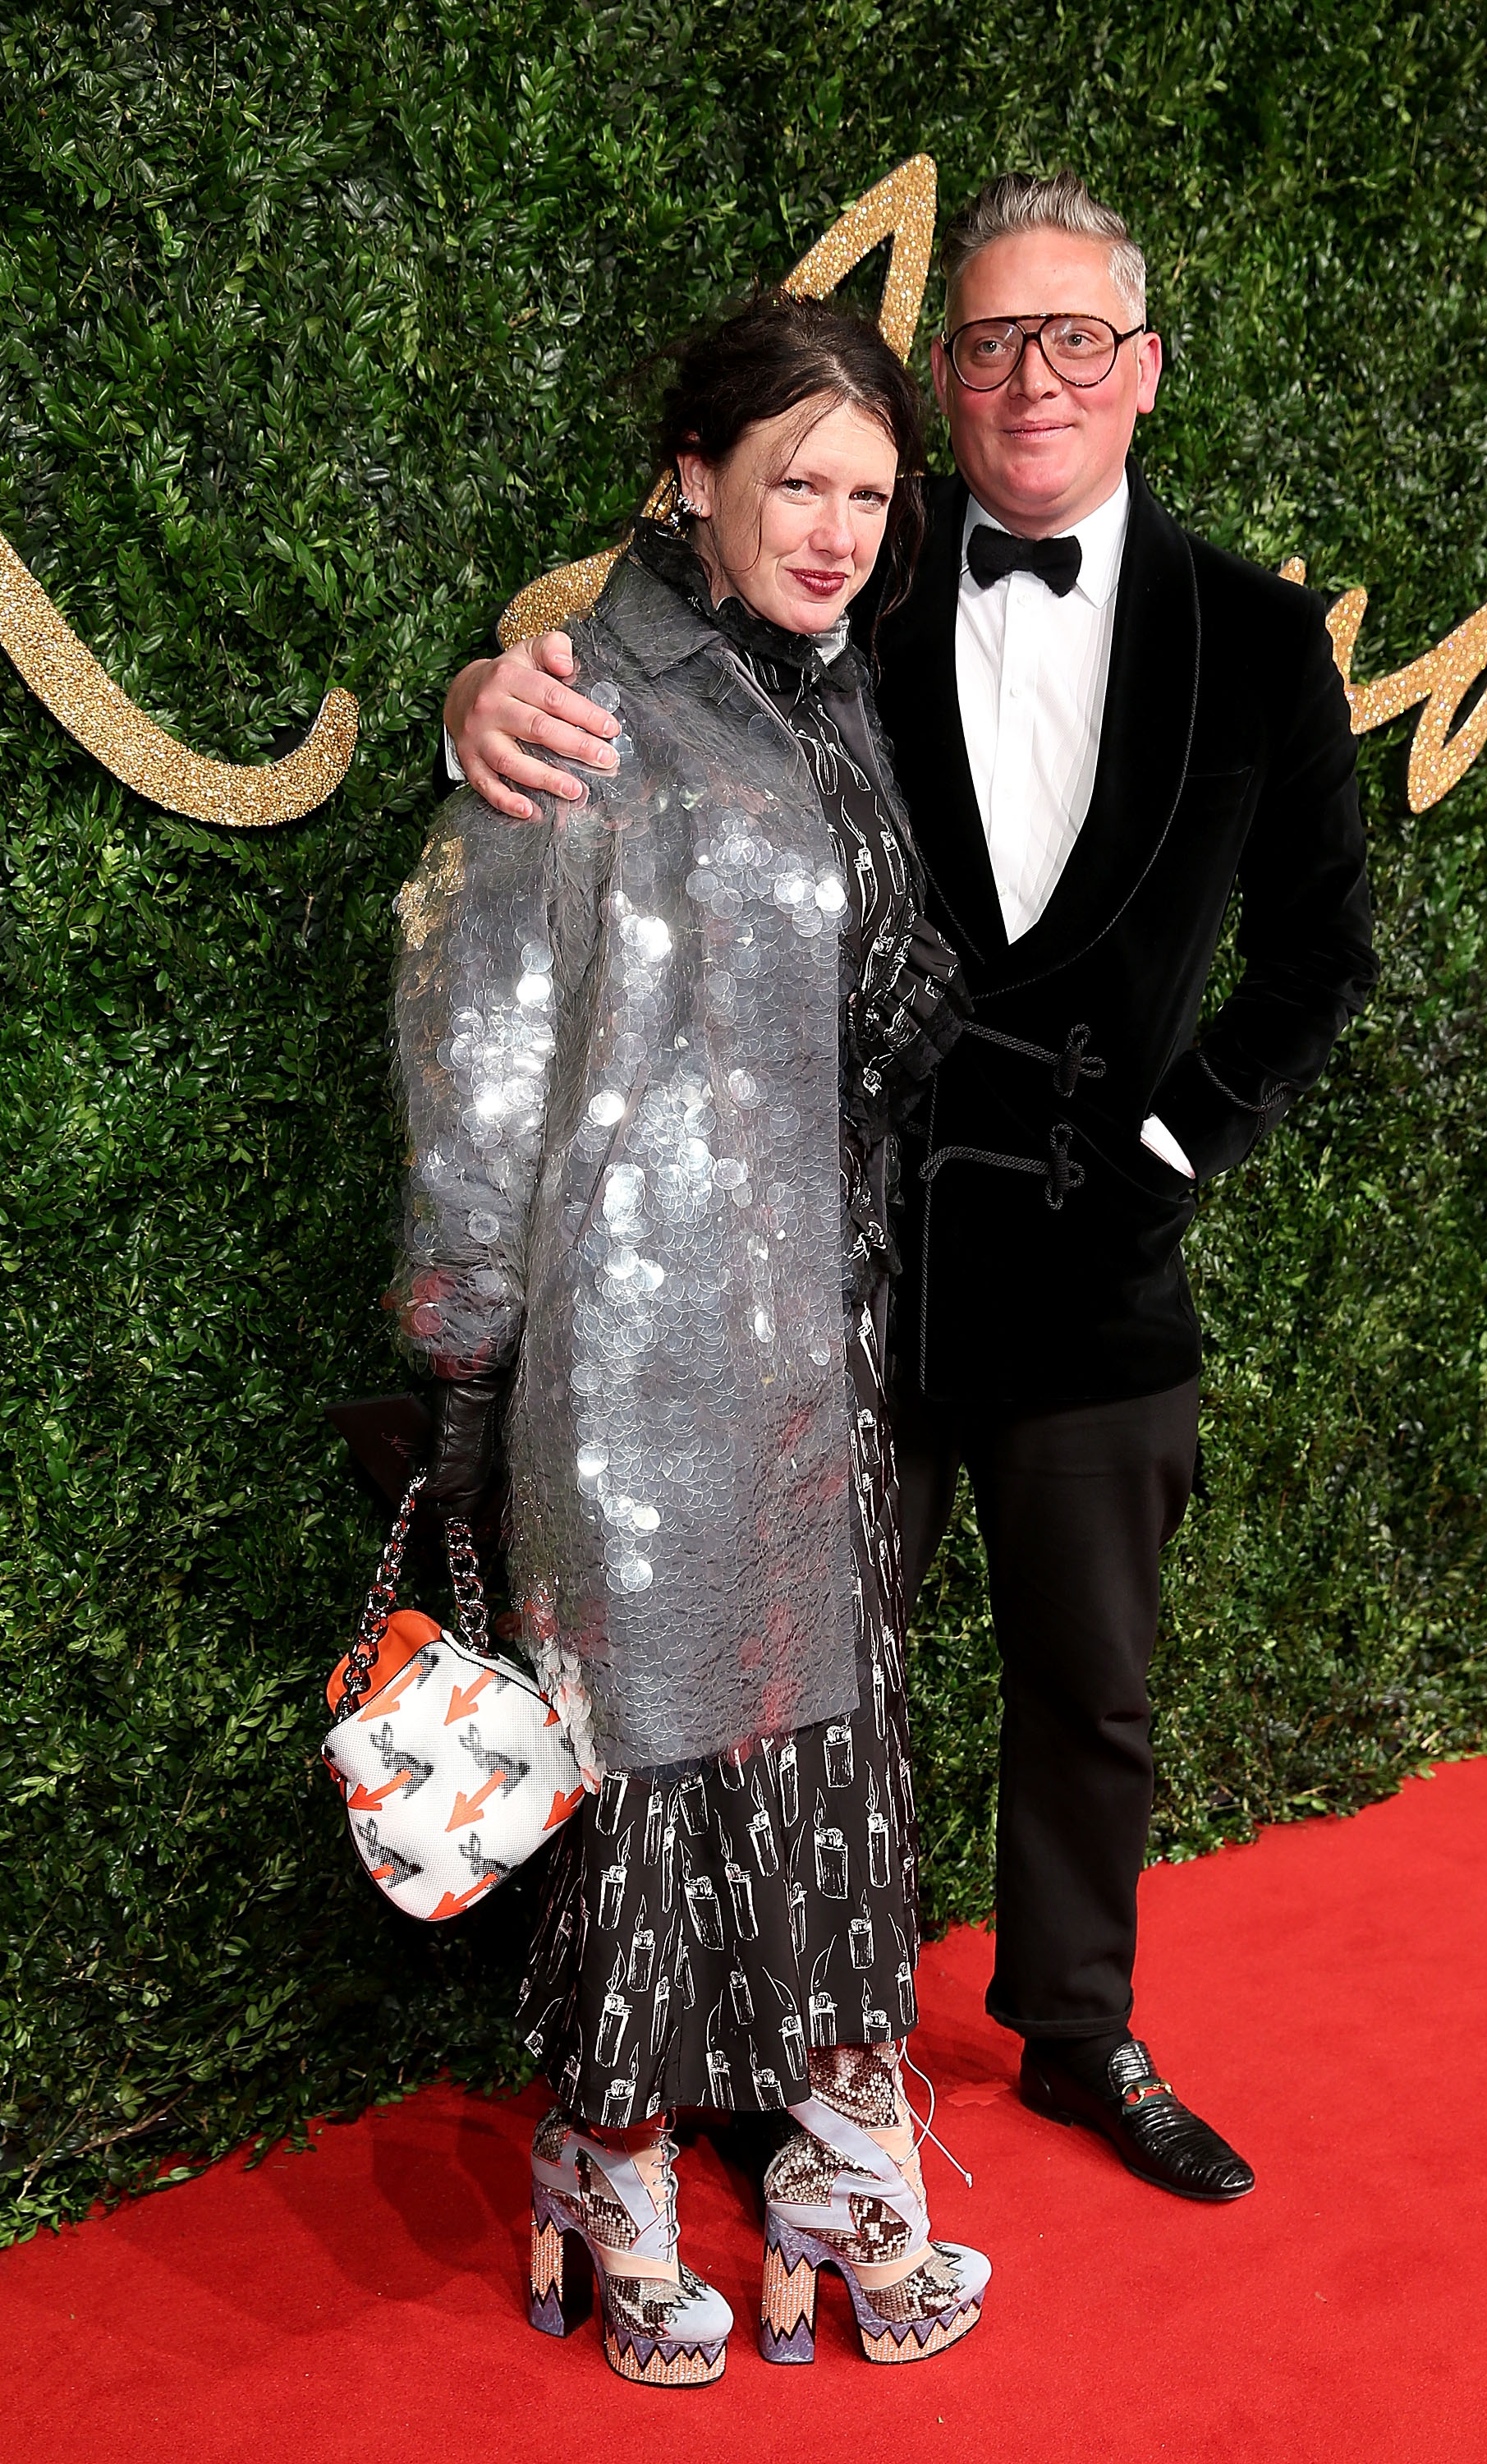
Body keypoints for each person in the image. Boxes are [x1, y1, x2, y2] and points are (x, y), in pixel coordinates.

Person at [440, 173, 1377, 2205]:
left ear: (1141, 370)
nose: (1031, 378)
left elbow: (1321, 951)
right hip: (843, 1266)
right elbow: (654, 638)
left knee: (1091, 1686)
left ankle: (1078, 2030)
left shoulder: (1253, 631)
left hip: (1102, 1266)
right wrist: (477, 696)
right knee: (783, 1690)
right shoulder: (856, 550)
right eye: (989, 341)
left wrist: (1170, 1150)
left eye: (1073, 338)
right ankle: (752, 2059)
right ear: (944, 377)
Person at [396, 291, 989, 2388]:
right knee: (649, 1772)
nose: (832, 529)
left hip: (834, 1344)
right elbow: (475, 1049)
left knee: (827, 1763)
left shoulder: (837, 687)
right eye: (791, 483)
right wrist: (461, 1346)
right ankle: (613, 2159)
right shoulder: (578, 706)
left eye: (866, 494)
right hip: (636, 1367)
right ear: (688, 480)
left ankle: (830, 2156)